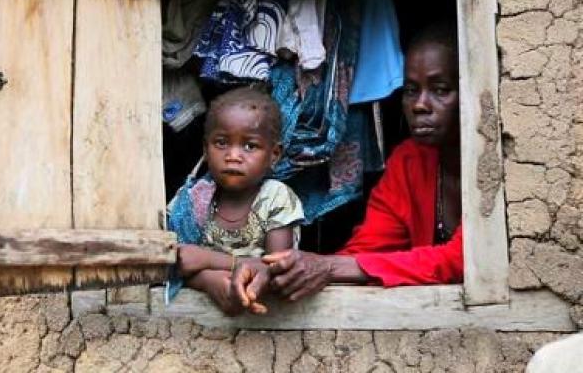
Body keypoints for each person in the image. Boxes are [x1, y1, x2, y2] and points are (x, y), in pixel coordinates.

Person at [232, 23, 464, 309]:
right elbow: (367, 248)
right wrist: (288, 269)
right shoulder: (408, 161)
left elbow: (463, 259)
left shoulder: (503, 169)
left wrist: (329, 267)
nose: (420, 105)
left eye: (440, 90)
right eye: (411, 90)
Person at [167, 86, 305, 314]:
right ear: (205, 148)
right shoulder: (193, 199)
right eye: (221, 143)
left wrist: (207, 259)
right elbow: (176, 264)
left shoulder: (275, 198)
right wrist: (209, 281)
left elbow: (275, 267)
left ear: (274, 155)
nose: (233, 156)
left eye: (250, 146)